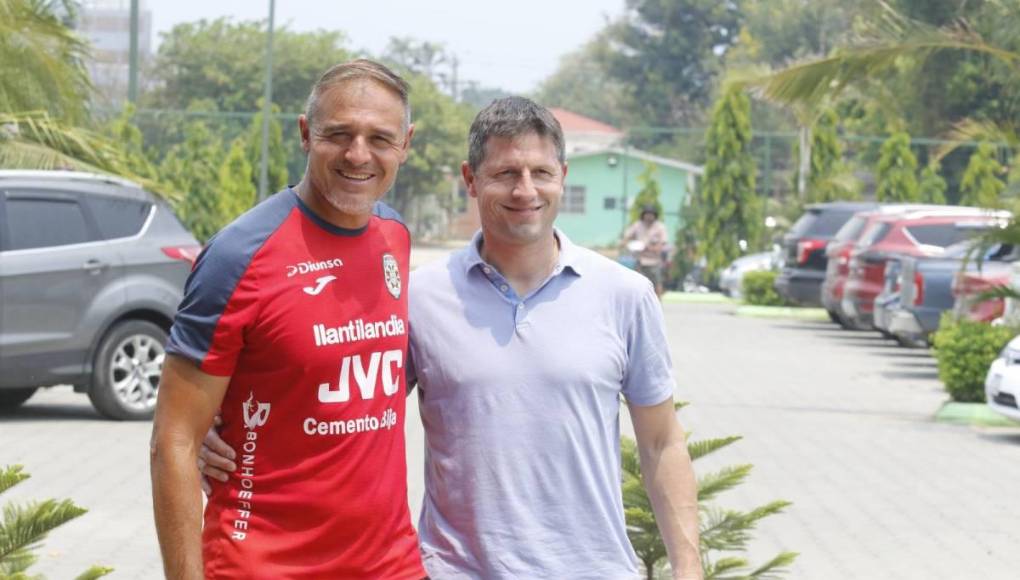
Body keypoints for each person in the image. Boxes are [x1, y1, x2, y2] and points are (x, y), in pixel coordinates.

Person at [202, 97, 701, 579]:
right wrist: (217, 425)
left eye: (541, 173)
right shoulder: (419, 296)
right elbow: (347, 404)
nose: (525, 190)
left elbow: (660, 443)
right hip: (454, 569)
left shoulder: (625, 295)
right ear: (470, 179)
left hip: (595, 569)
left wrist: (689, 567)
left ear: (562, 178)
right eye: (505, 174)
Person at [149, 59, 426, 579]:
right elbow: (174, 440)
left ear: (406, 143)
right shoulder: (238, 256)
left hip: (390, 565)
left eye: (380, 138)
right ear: (305, 133)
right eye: (338, 134)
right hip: (262, 565)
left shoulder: (396, 238)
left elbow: (370, 376)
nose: (358, 154)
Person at [623, 204, 670, 296]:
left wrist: (649, 248)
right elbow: (626, 237)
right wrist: (628, 243)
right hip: (640, 260)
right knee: (637, 284)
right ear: (643, 215)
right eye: (647, 214)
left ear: (655, 215)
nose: (648, 216)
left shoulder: (660, 227)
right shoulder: (638, 225)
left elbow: (662, 245)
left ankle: (658, 304)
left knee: (656, 284)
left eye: (651, 214)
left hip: (654, 261)